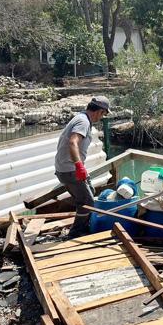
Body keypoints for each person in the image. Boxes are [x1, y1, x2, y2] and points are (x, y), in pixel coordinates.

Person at [54, 96, 110, 236]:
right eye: (103, 114)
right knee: (87, 202)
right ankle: (76, 233)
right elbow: (73, 142)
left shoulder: (81, 117)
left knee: (89, 192)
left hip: (67, 168)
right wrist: (79, 166)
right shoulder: (83, 122)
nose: (101, 117)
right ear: (100, 111)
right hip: (70, 170)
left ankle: (85, 225)